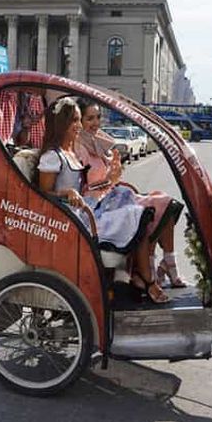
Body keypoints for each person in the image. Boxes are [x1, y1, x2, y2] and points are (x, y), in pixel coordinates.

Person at [37, 97, 167, 303]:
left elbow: (86, 188)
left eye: (79, 120)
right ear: (60, 124)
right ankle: (147, 281)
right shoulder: (53, 156)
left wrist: (109, 179)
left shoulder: (69, 152)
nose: (78, 126)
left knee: (139, 216)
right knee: (136, 216)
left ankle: (142, 278)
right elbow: (43, 193)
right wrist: (66, 193)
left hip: (88, 210)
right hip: (72, 220)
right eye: (73, 121)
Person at [75, 99, 186, 287]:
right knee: (152, 210)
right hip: (96, 207)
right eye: (90, 118)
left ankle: (167, 263)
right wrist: (110, 178)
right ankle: (153, 269)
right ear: (79, 121)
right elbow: (84, 188)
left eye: (98, 117)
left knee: (167, 205)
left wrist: (113, 175)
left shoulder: (97, 141)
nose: (95, 123)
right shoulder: (80, 146)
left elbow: (108, 179)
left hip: (111, 197)